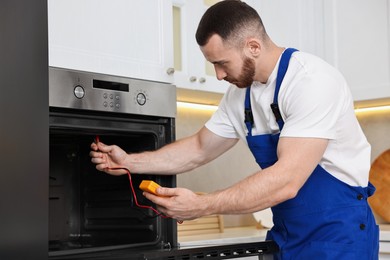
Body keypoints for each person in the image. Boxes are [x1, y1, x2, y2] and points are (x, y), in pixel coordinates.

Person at [90, 0, 379, 258]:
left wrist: (202, 205)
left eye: (221, 63)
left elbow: (287, 180)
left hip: (338, 238)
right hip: (286, 236)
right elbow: (200, 148)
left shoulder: (312, 81)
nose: (218, 75)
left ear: (253, 46)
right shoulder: (241, 95)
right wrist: (130, 162)